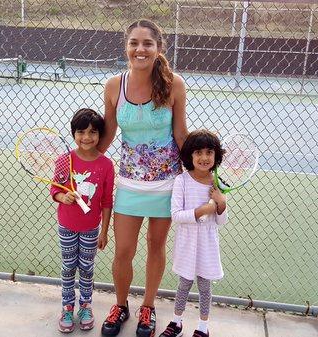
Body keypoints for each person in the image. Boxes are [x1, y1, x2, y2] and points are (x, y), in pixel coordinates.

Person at [97, 19, 188, 337]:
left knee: (155, 245)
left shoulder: (174, 83)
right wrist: (82, 157)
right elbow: (107, 134)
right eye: (134, 43)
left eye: (147, 43)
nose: (140, 49)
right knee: (123, 251)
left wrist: (203, 174)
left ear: (158, 48)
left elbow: (180, 134)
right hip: (129, 185)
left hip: (166, 184)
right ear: (126, 47)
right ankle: (120, 305)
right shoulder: (113, 86)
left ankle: (148, 306)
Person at [51, 108, 115, 333]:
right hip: (67, 226)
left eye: (93, 132)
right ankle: (67, 307)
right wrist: (64, 197)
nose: (87, 137)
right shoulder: (63, 161)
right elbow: (54, 191)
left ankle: (85, 306)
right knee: (69, 267)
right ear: (73, 134)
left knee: (87, 268)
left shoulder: (106, 165)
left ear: (99, 135)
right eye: (81, 132)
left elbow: (107, 201)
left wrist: (104, 231)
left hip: (91, 229)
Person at [158, 130, 227, 337]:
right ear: (190, 156)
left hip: (207, 244)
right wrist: (202, 210)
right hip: (187, 244)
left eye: (209, 152)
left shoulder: (217, 184)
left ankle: (203, 328)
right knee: (184, 284)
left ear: (216, 157)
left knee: (205, 287)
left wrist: (221, 203)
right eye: (198, 152)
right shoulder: (182, 181)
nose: (204, 158)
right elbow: (177, 215)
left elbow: (221, 221)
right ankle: (176, 323)